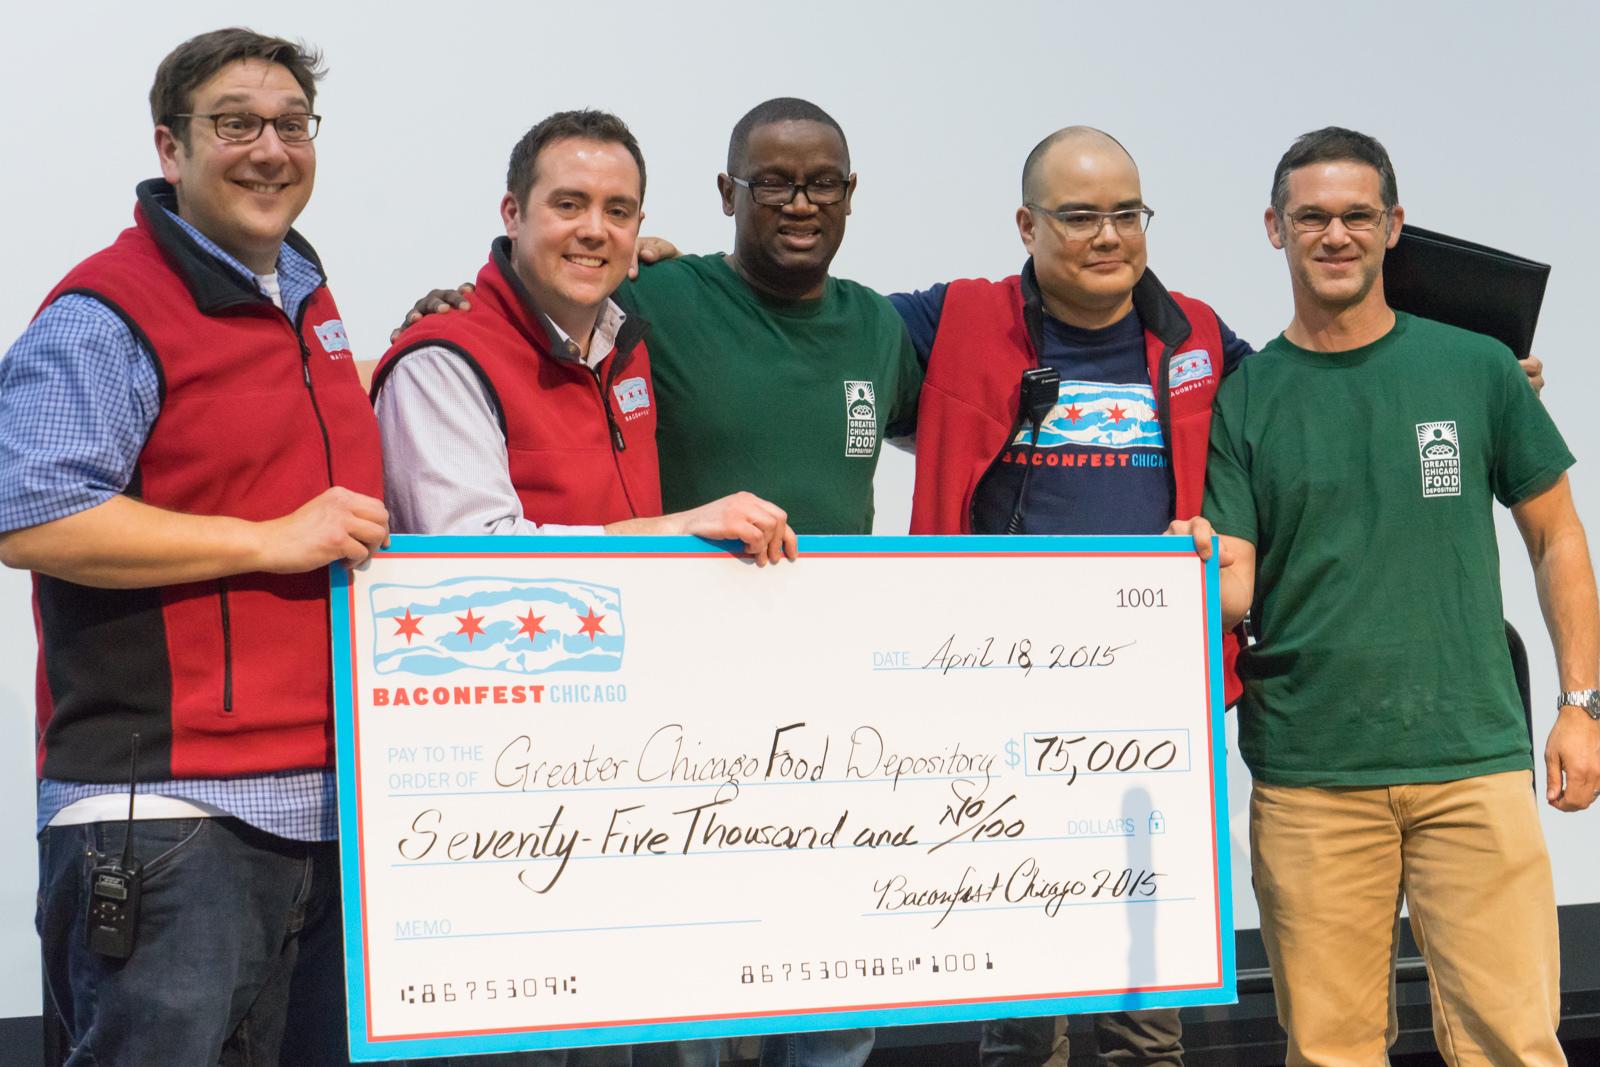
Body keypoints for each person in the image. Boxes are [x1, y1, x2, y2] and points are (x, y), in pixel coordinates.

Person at [394, 100, 920, 1067]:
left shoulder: (875, 327)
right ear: (729, 193)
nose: (800, 202)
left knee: (835, 996)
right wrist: (449, 305)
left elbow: (976, 417)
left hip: (833, 722)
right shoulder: (654, 308)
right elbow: (472, 540)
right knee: (684, 1009)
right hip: (653, 729)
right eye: (773, 182)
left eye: (824, 182)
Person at [0, 28, 387, 1065]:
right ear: (170, 149)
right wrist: (269, 540)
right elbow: (33, 513)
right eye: (236, 124)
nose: (270, 147)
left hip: (326, 807)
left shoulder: (305, 294)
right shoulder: (104, 311)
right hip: (170, 816)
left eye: (292, 124)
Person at [1177, 126, 1600, 1066]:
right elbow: (1236, 585)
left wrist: (1582, 705)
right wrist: (1188, 567)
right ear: (1274, 229)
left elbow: (1558, 534)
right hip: (1310, 777)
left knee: (1514, 1045)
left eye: (1357, 215)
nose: (1336, 234)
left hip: (1472, 761)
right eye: (1312, 216)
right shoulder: (1247, 397)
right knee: (1330, 1051)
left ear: (1394, 225)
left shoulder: (1477, 367)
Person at [895, 126, 1241, 1067]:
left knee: (1144, 1007)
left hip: (1152, 712)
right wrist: (672, 280)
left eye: (1126, 214)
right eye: (1080, 215)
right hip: (1000, 705)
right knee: (1021, 1005)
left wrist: (1494, 370)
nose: (1108, 236)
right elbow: (805, 326)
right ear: (1026, 223)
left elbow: (1311, 409)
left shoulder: (1199, 337)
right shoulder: (955, 319)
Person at [374, 108, 795, 562]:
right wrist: (674, 529)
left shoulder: (627, 344)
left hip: (639, 627)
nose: (595, 231)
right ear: (513, 215)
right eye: (569, 205)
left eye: (618, 211)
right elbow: (473, 557)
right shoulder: (441, 363)